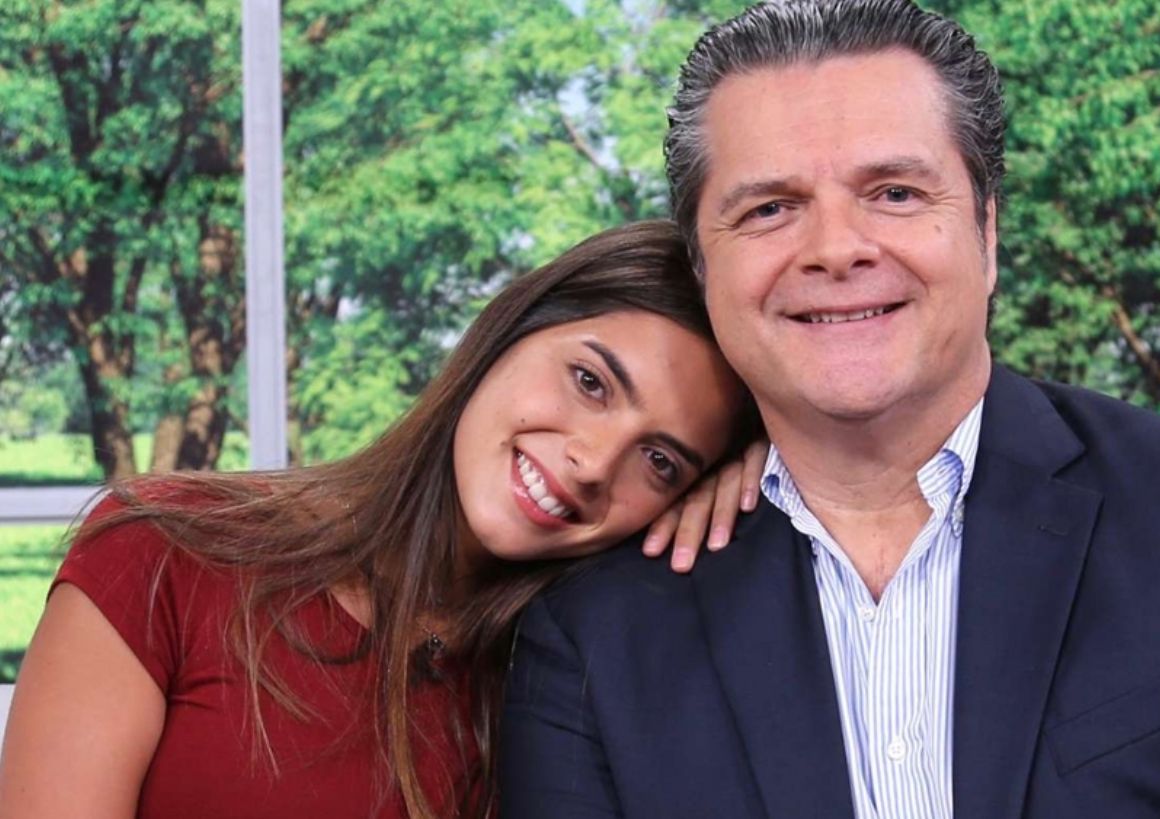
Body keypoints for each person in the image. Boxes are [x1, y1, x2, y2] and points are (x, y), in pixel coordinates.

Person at [498, 1, 1160, 817]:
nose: (835, 248)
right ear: (704, 272)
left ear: (987, 231)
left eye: (894, 193)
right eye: (771, 209)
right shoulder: (595, 634)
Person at [0, 219, 766, 819]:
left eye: (659, 461)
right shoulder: (165, 548)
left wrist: (769, 492)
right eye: (590, 381)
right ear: (509, 329)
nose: (595, 462)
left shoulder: (563, 689)